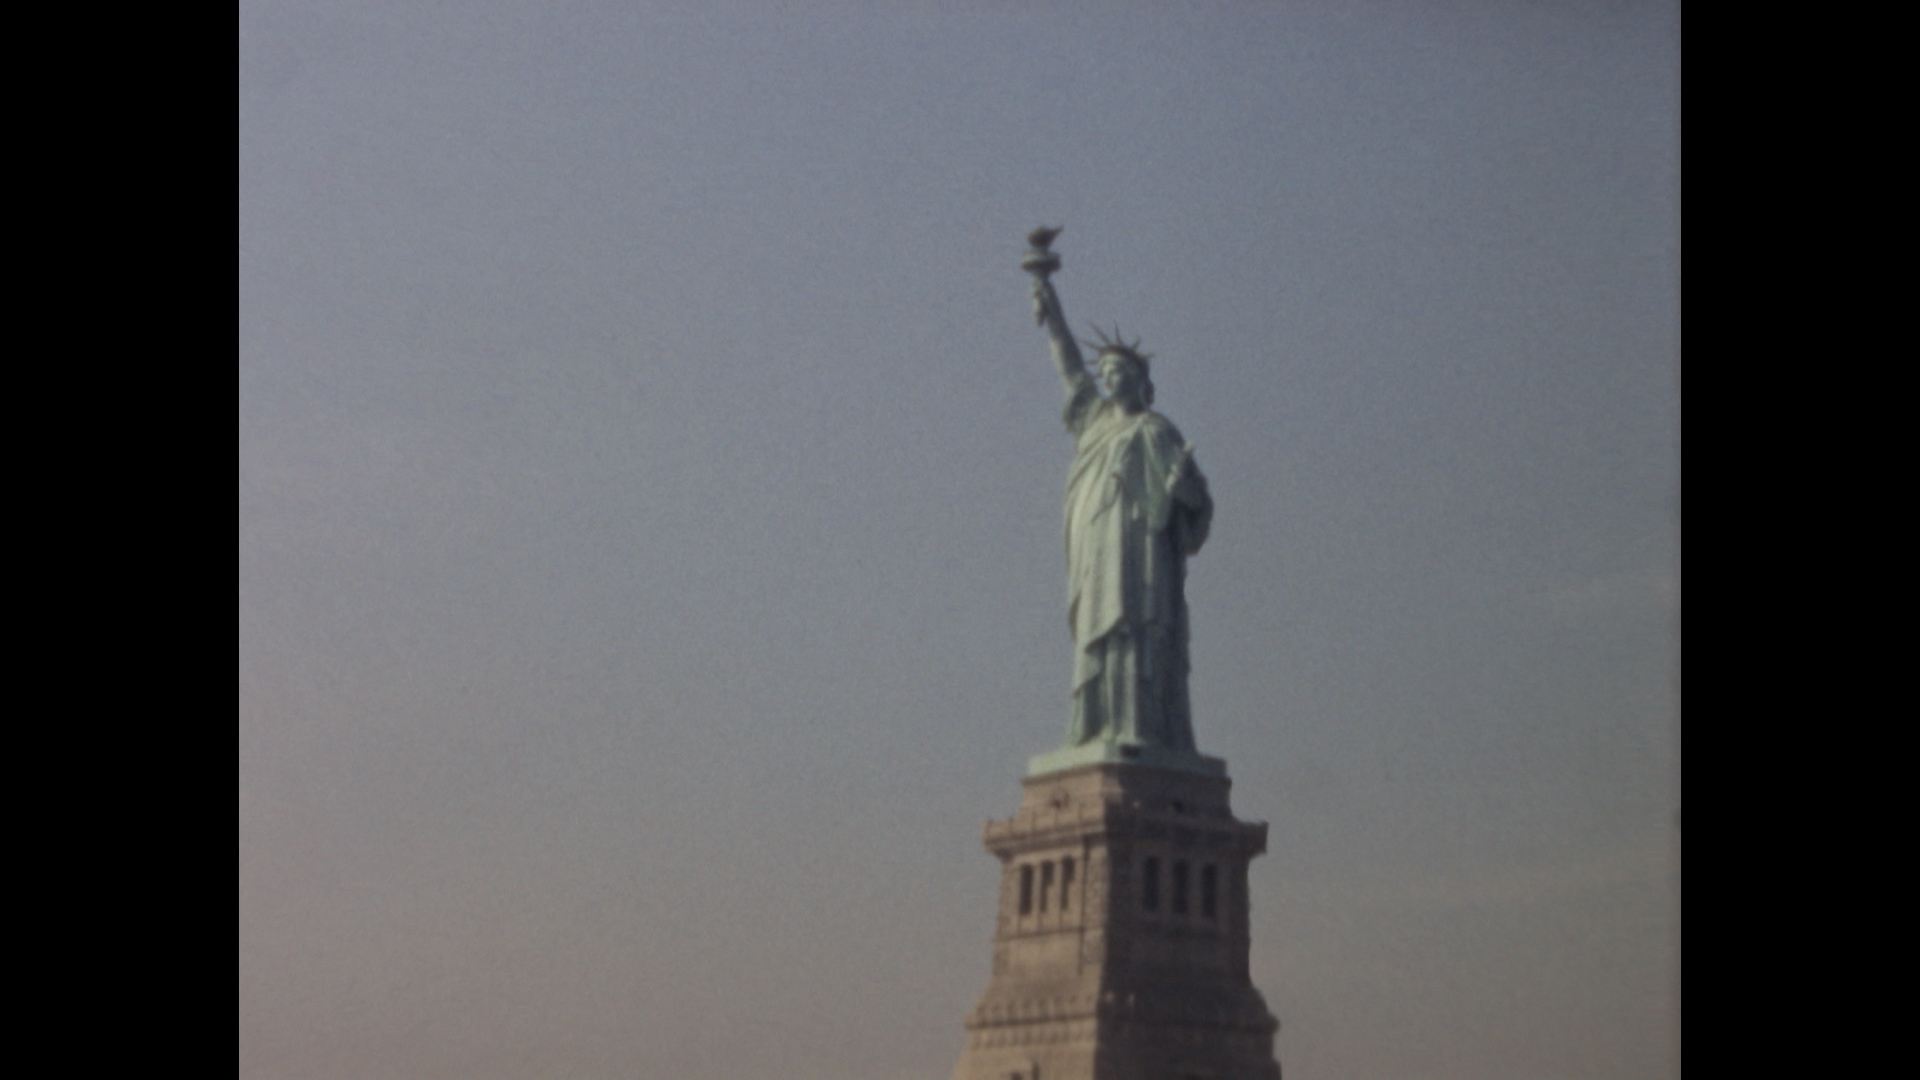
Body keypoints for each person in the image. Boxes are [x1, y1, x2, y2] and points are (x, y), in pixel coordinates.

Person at [1030, 275, 1213, 750]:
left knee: (1136, 630)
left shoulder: (1157, 430)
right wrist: (1051, 309)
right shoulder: (1093, 422)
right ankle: (1095, 727)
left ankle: (1142, 729)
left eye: (1119, 370)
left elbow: (1198, 508)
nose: (1109, 378)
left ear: (1141, 380)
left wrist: (1183, 491)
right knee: (1098, 632)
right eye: (1105, 371)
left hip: (1141, 548)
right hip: (1095, 546)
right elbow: (1070, 369)